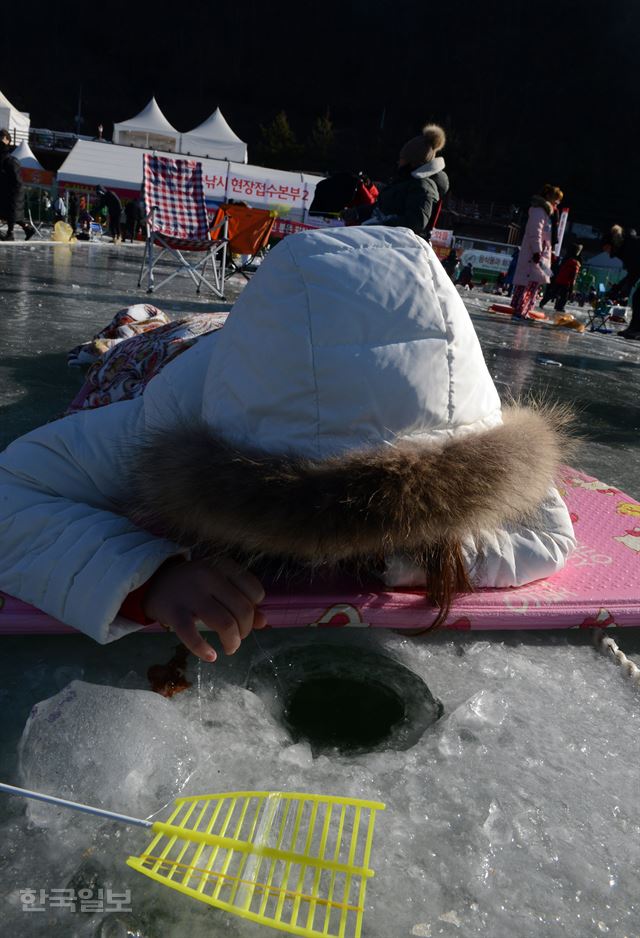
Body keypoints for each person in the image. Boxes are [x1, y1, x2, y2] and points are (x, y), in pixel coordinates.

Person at [0, 227, 576, 662]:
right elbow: (14, 487)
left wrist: (398, 558)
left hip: (250, 342)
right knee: (134, 338)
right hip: (172, 355)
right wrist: (146, 576)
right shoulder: (165, 420)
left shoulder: (454, 404)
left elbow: (548, 532)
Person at [365, 124, 449, 241]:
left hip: (391, 242)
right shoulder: (405, 181)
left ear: (413, 162)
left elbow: (415, 222)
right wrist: (358, 211)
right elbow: (383, 206)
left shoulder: (422, 187)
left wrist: (382, 224)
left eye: (402, 159)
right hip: (380, 236)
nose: (398, 162)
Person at [511, 184, 563, 319]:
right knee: (529, 283)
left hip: (540, 254)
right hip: (534, 254)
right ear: (550, 198)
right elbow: (535, 232)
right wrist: (537, 251)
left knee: (534, 284)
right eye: (556, 199)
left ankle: (524, 310)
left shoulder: (546, 213)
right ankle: (520, 311)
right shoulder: (539, 211)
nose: (558, 202)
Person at [602, 225, 640, 339]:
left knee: (639, 298)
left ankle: (636, 329)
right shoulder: (626, 246)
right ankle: (634, 328)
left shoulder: (628, 247)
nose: (606, 253)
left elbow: (635, 271)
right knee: (638, 298)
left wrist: (620, 288)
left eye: (606, 248)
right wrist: (618, 288)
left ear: (612, 244)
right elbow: (633, 272)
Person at [0, 128, 36, 242]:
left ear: (8, 140)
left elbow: (16, 180)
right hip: (8, 189)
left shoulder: (10, 160)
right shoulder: (6, 157)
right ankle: (27, 229)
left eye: (2, 138)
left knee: (11, 212)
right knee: (11, 213)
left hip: (12, 190)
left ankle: (11, 233)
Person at [540, 244, 583, 312]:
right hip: (566, 282)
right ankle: (559, 307)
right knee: (564, 296)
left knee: (553, 293)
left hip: (558, 279)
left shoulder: (564, 259)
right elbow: (573, 276)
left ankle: (543, 302)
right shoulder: (575, 263)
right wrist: (571, 287)